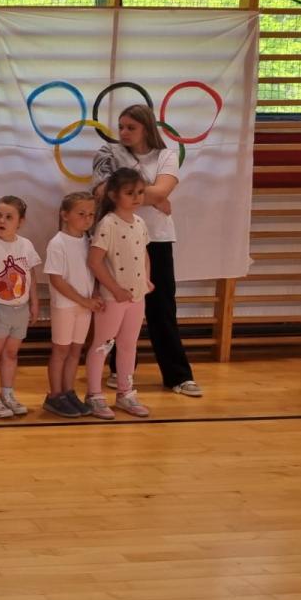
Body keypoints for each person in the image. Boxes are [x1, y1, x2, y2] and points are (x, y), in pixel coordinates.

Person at [92, 104, 201, 398]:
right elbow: (102, 192)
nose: (124, 132)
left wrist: (138, 193)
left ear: (146, 128)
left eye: (131, 127)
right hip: (119, 239)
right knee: (120, 306)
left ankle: (178, 375)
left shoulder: (165, 155)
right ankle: (119, 371)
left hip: (157, 238)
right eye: (121, 127)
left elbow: (162, 191)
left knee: (161, 307)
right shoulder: (108, 152)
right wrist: (152, 196)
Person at [85, 169, 154, 419]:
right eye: (130, 193)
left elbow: (144, 254)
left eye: (140, 192)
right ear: (114, 195)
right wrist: (115, 289)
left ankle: (125, 392)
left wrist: (146, 280)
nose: (136, 197)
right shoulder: (108, 224)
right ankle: (94, 395)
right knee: (102, 345)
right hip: (113, 298)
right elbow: (95, 262)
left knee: (128, 345)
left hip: (136, 297)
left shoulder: (140, 223)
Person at [0, 195, 42, 419]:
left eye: (8, 217)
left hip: (19, 309)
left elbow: (31, 275)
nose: (1, 220)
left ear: (20, 221)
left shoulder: (26, 245)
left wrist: (34, 302)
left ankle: (7, 394)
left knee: (11, 354)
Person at [43, 192, 103, 419]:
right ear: (65, 215)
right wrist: (83, 300)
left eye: (91, 215)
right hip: (65, 306)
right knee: (61, 351)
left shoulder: (89, 241)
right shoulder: (57, 243)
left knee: (76, 350)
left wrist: (93, 295)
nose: (87, 219)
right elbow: (57, 280)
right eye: (81, 214)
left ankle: (68, 392)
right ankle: (54, 395)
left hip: (84, 306)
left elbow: (93, 272)